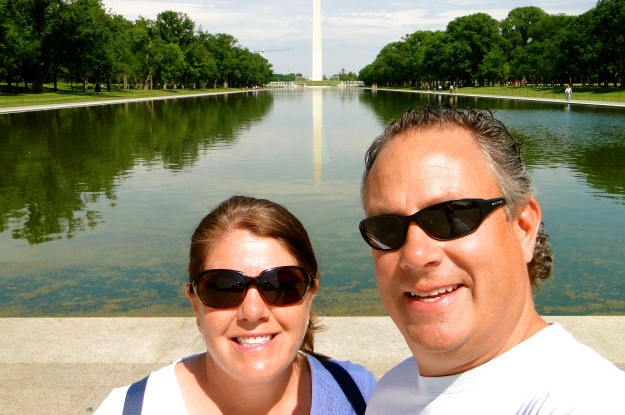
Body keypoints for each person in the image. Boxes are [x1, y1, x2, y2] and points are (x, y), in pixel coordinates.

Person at [358, 106, 625, 413]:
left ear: (524, 227)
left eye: (452, 216)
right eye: (387, 228)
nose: (416, 255)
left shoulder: (589, 400)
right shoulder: (391, 392)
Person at [96, 195, 376, 414]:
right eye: (225, 288)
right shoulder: (128, 409)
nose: (252, 312)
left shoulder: (365, 397)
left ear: (310, 294)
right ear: (195, 303)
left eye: (280, 285)